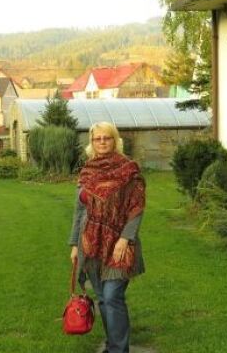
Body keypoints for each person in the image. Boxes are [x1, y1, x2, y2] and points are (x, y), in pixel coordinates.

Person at [68, 122, 145, 353]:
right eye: (97, 139)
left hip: (119, 244)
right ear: (91, 143)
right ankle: (113, 344)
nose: (102, 142)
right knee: (102, 297)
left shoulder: (128, 169)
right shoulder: (87, 171)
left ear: (115, 140)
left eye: (107, 138)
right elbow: (79, 210)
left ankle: (119, 349)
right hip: (90, 243)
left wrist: (125, 239)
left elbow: (137, 207)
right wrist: (74, 244)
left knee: (112, 296)